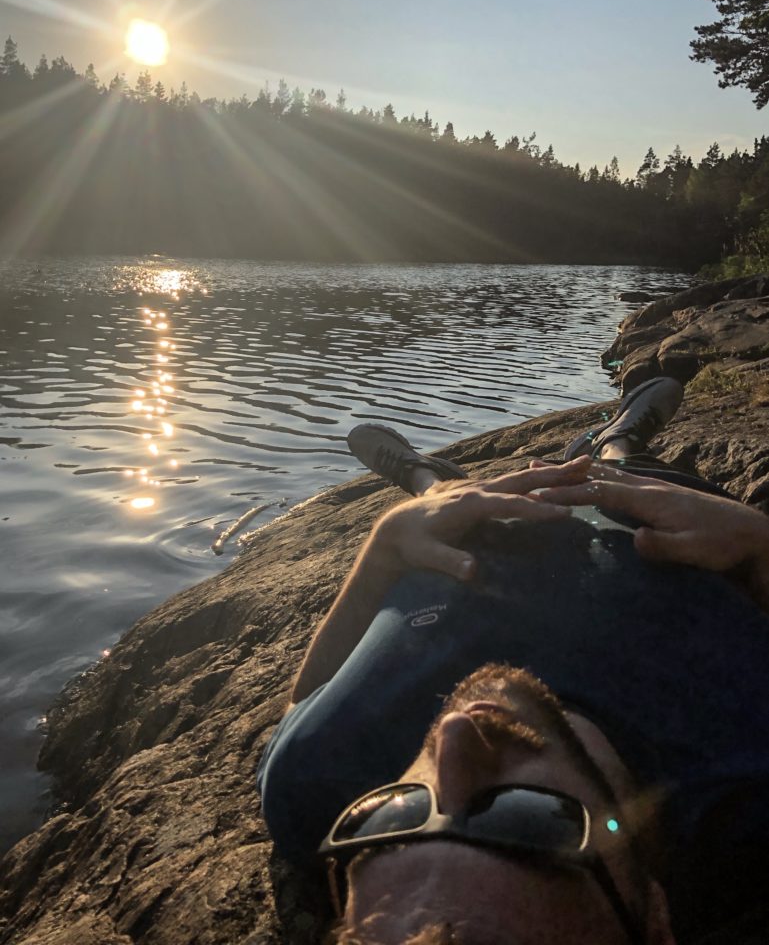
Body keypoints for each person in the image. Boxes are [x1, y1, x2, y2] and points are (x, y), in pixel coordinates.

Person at [257, 377, 769, 945]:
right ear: (653, 916)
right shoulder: (747, 778)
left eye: (396, 819)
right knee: (621, 470)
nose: (453, 737)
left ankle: (420, 477)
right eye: (523, 819)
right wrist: (760, 545)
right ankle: (621, 437)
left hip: (461, 543)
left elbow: (304, 705)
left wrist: (382, 551)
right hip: (635, 522)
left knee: (447, 498)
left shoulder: (317, 786)